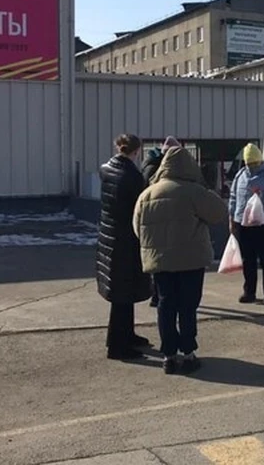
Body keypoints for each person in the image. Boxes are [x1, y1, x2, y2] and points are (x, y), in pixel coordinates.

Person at [133, 145, 229, 375]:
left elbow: (138, 228)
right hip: (190, 259)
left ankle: (168, 354)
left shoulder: (147, 193)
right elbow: (218, 214)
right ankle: (188, 353)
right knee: (188, 306)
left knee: (166, 305)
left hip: (159, 260)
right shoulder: (194, 191)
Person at [96, 133, 152, 360]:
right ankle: (119, 346)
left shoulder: (107, 170)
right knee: (123, 293)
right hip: (126, 240)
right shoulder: (132, 176)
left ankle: (124, 335)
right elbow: (138, 210)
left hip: (109, 236)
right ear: (137, 151)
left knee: (122, 293)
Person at [229, 143, 264, 305]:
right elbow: (233, 198)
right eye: (248, 164)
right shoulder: (240, 175)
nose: (251, 167)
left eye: (254, 164)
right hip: (243, 224)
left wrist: (263, 196)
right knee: (248, 260)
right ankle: (249, 292)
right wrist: (231, 218)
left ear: (260, 161)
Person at [141, 136, 180, 307]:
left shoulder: (149, 165)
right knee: (162, 262)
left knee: (158, 260)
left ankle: (158, 295)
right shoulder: (156, 168)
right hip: (161, 217)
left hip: (154, 218)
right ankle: (158, 295)